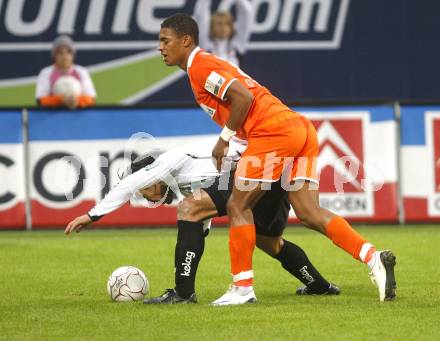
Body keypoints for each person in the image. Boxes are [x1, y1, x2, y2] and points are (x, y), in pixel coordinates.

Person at [158, 13, 397, 304]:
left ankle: (242, 289)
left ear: (185, 41)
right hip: (298, 129)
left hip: (274, 132)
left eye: (164, 40)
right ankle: (373, 259)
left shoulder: (200, 67)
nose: (160, 47)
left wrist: (223, 140)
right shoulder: (205, 65)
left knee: (238, 204)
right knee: (310, 213)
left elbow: (243, 98)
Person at [65, 138, 340, 304]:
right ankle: (319, 286)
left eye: (144, 188)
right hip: (269, 173)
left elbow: (128, 185)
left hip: (247, 169)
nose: (144, 195)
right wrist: (194, 239)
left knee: (189, 209)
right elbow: (202, 221)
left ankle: (183, 294)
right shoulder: (185, 178)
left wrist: (92, 215)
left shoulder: (167, 162)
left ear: (150, 175)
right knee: (269, 241)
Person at [35, 36, 96, 109]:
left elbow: (91, 98)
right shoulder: (46, 73)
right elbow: (40, 100)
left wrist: (77, 101)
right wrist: (61, 100)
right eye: (60, 53)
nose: (65, 56)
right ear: (54, 55)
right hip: (53, 116)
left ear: (73, 55)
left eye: (68, 52)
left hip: (78, 116)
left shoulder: (81, 71)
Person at [193, 0, 252, 66]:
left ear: (231, 27)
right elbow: (201, 12)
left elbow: (246, 13)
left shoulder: (237, 45)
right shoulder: (206, 45)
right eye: (219, 24)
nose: (223, 27)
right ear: (212, 26)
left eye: (227, 24)